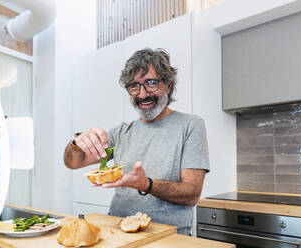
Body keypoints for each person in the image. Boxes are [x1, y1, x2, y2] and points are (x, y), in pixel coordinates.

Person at [64, 48, 210, 235]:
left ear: (168, 85)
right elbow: (73, 162)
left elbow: (191, 194)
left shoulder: (191, 125)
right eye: (134, 86)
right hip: (118, 232)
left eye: (151, 83)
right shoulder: (121, 132)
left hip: (168, 237)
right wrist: (77, 142)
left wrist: (146, 185)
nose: (142, 94)